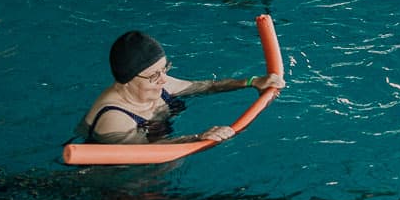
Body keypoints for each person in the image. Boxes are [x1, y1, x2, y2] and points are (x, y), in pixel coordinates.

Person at [75, 29, 283, 146]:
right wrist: (197, 138)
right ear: (127, 80)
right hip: (114, 179)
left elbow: (209, 86)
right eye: (154, 75)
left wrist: (251, 82)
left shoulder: (160, 82)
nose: (163, 80)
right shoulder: (115, 118)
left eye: (164, 69)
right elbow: (149, 151)